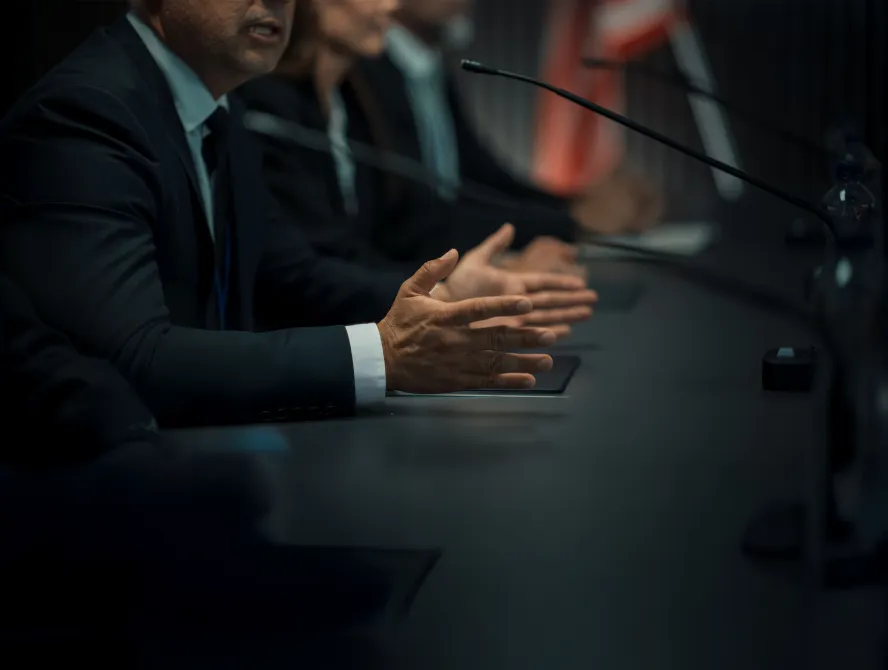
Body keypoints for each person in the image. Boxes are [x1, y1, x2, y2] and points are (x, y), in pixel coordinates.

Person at [0, 0, 598, 428]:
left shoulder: (216, 108)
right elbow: (133, 359)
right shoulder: (86, 113)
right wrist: (381, 356)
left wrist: (449, 290)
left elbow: (289, 272)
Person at [238, 0, 585, 275]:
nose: (390, 6)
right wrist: (450, 293)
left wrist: (492, 271)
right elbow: (315, 269)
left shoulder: (353, 98)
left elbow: (399, 224)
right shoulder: (270, 107)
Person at [359, 0, 662, 239]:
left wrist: (576, 206)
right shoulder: (362, 76)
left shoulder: (432, 67)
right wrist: (569, 221)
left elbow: (485, 183)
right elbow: (414, 220)